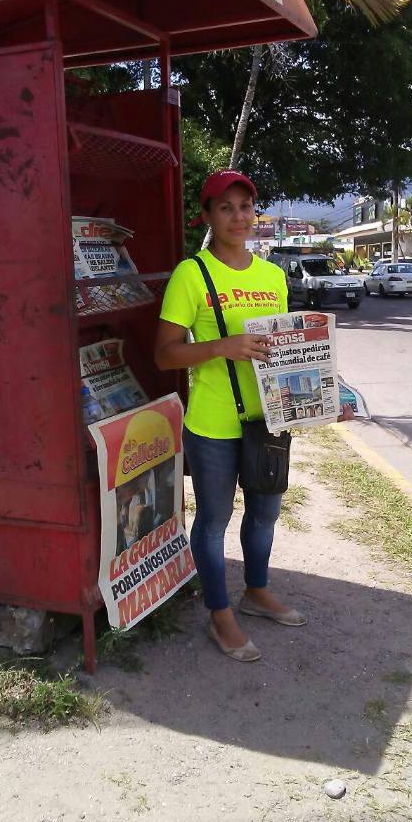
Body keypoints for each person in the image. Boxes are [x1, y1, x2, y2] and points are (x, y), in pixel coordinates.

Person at [155, 170, 353, 663]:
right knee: (215, 518)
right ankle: (220, 615)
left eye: (245, 206)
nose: (238, 216)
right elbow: (164, 355)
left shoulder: (271, 275)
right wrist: (222, 346)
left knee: (265, 513)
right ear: (207, 216)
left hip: (271, 419)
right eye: (226, 207)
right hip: (213, 423)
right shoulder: (191, 274)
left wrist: (330, 393)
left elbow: (291, 351)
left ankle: (256, 591)